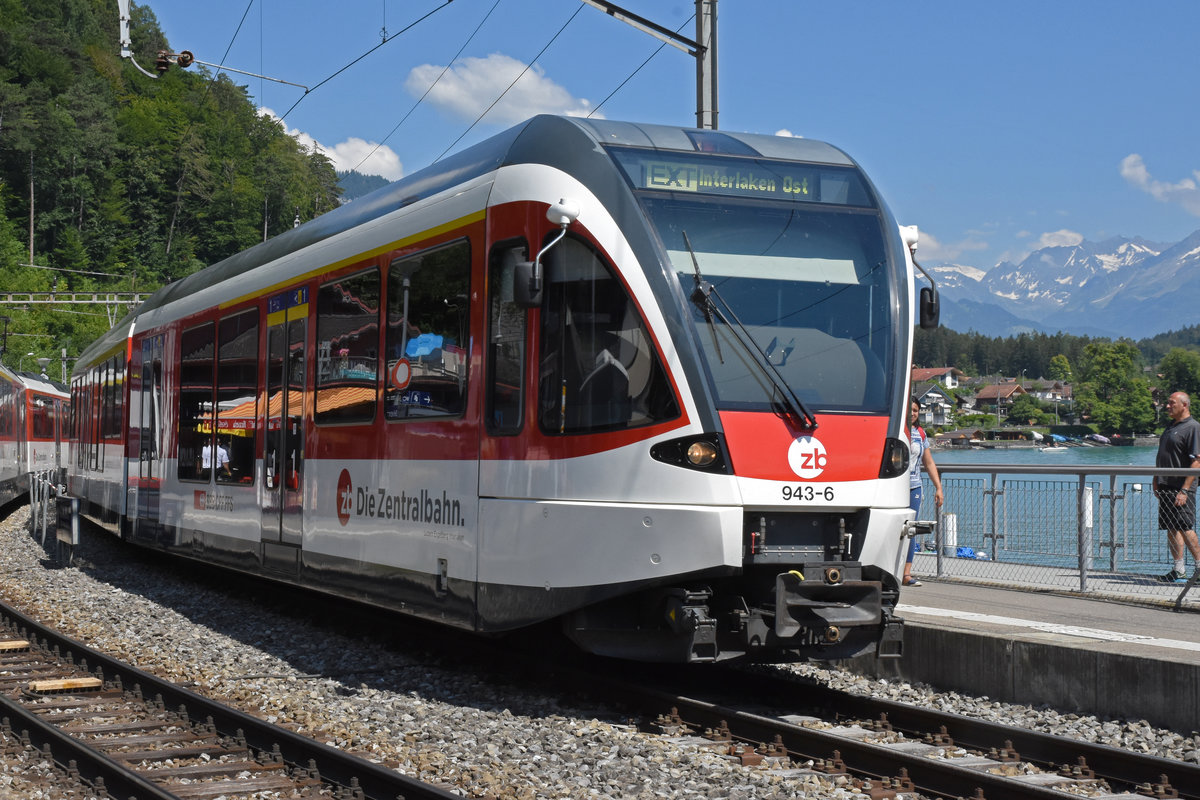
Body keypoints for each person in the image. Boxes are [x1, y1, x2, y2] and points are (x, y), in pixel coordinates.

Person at [1153, 391, 1200, 582]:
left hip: (1181, 487)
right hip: (1166, 485)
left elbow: (1197, 461)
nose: (1167, 406)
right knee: (1171, 527)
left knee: (1185, 526)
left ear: (1184, 405)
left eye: (1171, 403)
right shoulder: (1170, 426)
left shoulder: (1193, 427)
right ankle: (1179, 569)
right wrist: (1156, 478)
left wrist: (1185, 489)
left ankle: (1199, 568)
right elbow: (1163, 455)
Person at [903, 398, 943, 587]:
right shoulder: (895, 428)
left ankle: (906, 573)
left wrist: (938, 487)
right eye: (910, 409)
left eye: (916, 410)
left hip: (914, 486)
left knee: (911, 529)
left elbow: (928, 463)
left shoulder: (920, 433)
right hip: (894, 486)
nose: (912, 413)